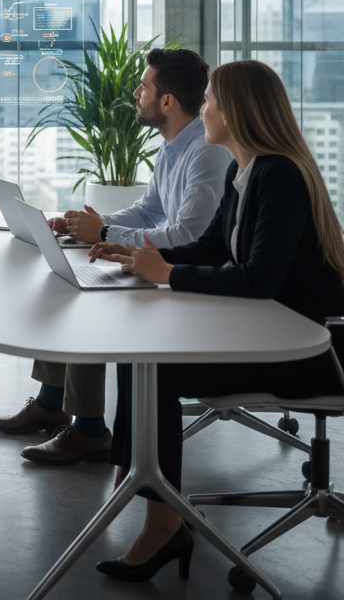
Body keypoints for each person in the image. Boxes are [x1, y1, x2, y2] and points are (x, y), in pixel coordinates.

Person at [90, 59, 344, 583]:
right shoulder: (244, 170)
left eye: (210, 101)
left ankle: (161, 519)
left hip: (304, 354)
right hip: (263, 334)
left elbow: (258, 279)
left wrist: (167, 277)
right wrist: (139, 255)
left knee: (153, 366)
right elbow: (211, 245)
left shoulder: (282, 176)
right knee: (141, 348)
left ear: (235, 112)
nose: (202, 109)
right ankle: (138, 482)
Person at [0, 48, 230, 465]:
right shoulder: (171, 147)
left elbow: (188, 234)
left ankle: (89, 431)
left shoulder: (206, 154)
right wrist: (91, 223)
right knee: (67, 279)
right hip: (162, 266)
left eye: (144, 86)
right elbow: (150, 210)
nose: (136, 93)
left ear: (166, 101)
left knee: (87, 302)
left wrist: (103, 232)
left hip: (188, 277)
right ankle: (51, 402)